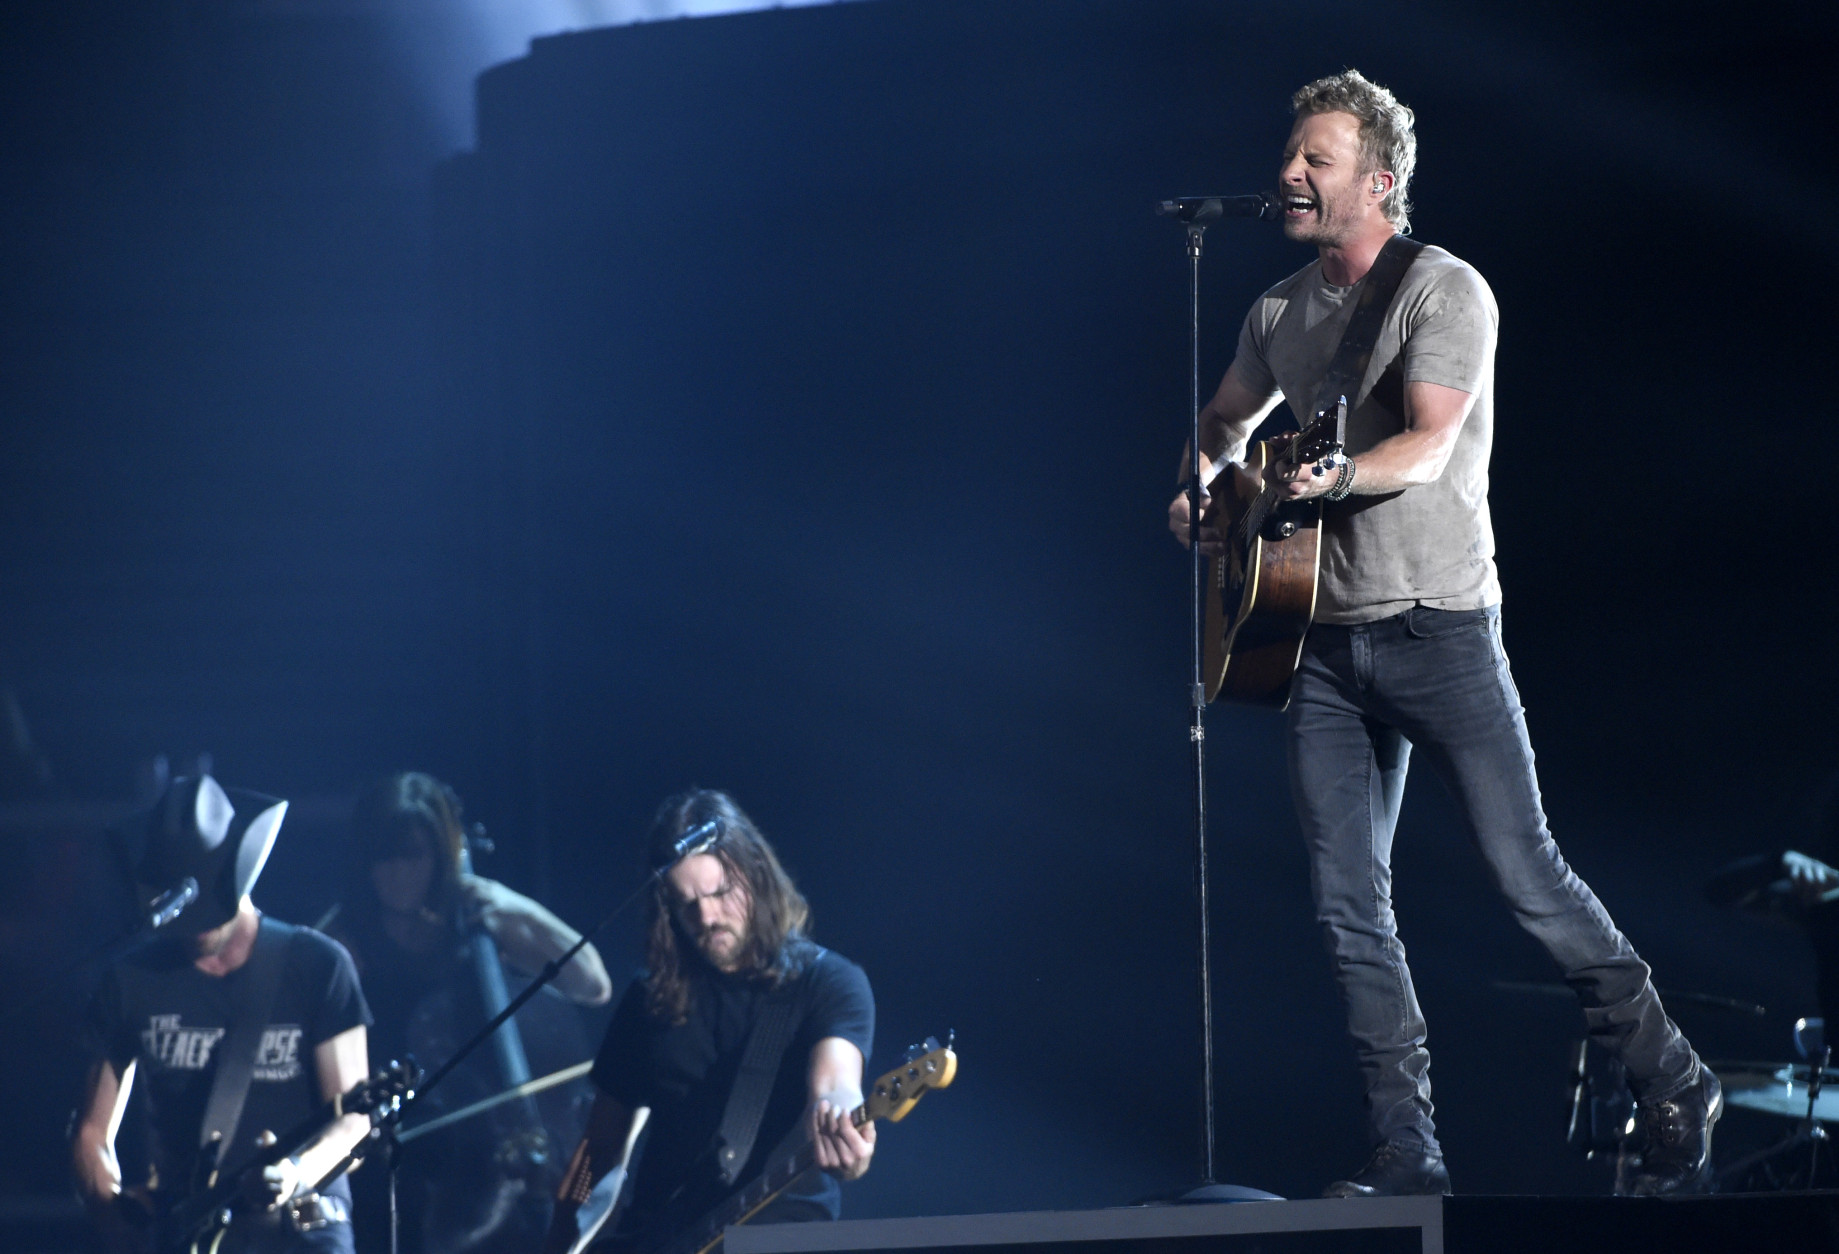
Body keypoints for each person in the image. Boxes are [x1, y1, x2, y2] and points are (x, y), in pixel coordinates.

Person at [1167, 69, 1716, 1197]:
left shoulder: (1445, 291)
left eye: (1314, 160)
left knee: (1527, 874)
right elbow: (1223, 420)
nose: (1288, 176)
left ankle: (1669, 1066)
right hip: (1316, 643)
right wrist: (1198, 489)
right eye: (1289, 156)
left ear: (1378, 181)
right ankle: (1407, 1153)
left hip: (1441, 629)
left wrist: (1334, 476)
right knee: (1344, 904)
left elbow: (1426, 442)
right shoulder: (1277, 310)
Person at [543, 790, 874, 1254]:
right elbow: (598, 1151)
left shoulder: (827, 982)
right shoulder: (651, 997)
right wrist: (561, 1239)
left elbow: (836, 1084)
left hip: (777, 1237)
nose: (707, 917)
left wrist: (844, 1126)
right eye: (686, 904)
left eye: (720, 892)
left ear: (755, 875)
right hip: (659, 1237)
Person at [72, 776, 373, 1254]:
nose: (196, 932)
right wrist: (112, 1215)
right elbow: (91, 1130)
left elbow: (355, 1118)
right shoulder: (128, 979)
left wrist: (294, 1174)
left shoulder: (318, 965)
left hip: (303, 1227)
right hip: (189, 1228)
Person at [321, 771, 613, 1254]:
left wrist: (507, 903)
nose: (395, 874)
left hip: (499, 1159)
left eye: (411, 856)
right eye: (382, 858)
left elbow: (592, 984)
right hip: (404, 1166)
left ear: (438, 855)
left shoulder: (476, 917)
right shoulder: (346, 938)